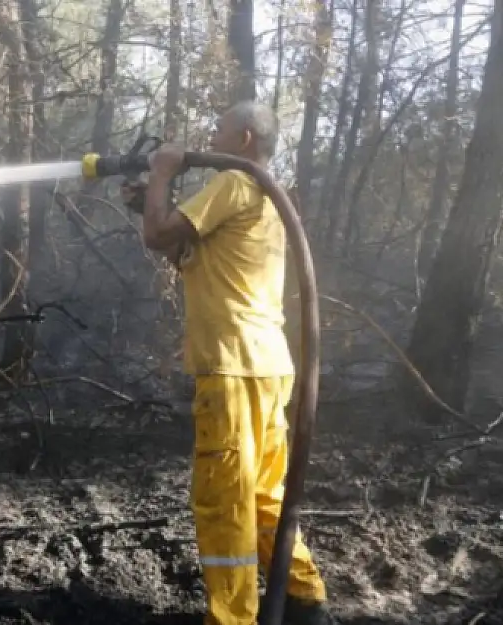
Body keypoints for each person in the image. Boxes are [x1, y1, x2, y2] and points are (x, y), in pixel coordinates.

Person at [120, 101, 335, 625]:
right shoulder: (265, 199)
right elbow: (186, 253)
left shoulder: (235, 184)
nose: (208, 137)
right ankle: (305, 603)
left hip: (233, 367)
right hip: (266, 365)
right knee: (263, 494)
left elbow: (157, 236)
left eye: (216, 130)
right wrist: (149, 199)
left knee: (225, 503)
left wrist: (163, 173)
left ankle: (233, 618)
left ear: (242, 139)